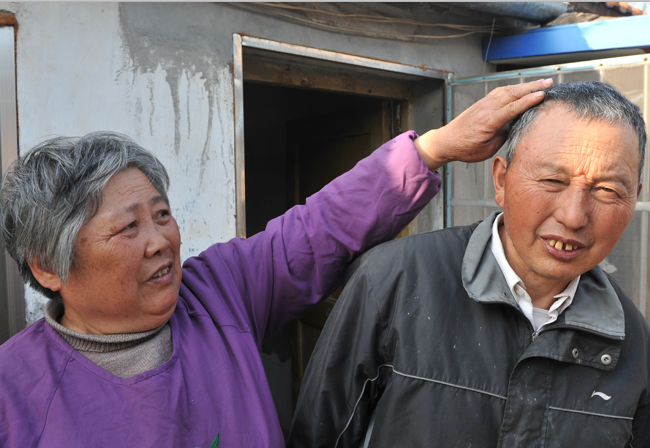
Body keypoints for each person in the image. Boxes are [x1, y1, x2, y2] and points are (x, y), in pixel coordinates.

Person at [0, 78, 550, 448]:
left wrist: (435, 148)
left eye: (161, 214)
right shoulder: (14, 392)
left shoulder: (219, 291)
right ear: (48, 267)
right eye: (128, 227)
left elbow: (320, 228)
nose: (161, 241)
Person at [288, 81, 650, 448]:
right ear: (501, 179)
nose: (573, 217)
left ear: (634, 198)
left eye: (607, 191)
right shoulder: (391, 282)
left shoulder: (635, 342)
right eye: (553, 180)